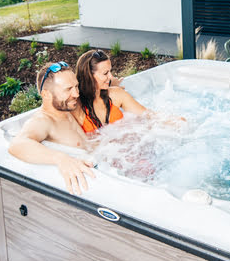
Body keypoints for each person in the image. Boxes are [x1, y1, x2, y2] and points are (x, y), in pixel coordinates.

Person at [8, 61, 96, 194]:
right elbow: (17, 145)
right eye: (68, 89)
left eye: (76, 87)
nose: (76, 94)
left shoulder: (65, 109)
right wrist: (61, 159)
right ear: (46, 95)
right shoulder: (43, 120)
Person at [75, 50, 147, 133]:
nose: (111, 76)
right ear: (89, 76)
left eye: (110, 71)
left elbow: (149, 116)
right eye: (105, 73)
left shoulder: (116, 94)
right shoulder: (76, 106)